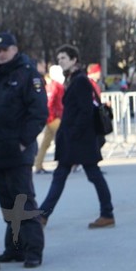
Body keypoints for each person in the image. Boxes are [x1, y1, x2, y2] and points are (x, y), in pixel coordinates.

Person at [40, 45, 115, 229]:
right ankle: (43, 215)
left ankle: (107, 213)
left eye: (63, 58)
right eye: (59, 59)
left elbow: (85, 111)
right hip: (75, 139)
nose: (60, 61)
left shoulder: (80, 80)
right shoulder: (73, 79)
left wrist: (72, 134)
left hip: (79, 140)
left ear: (74, 60)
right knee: (67, 176)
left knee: (92, 175)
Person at [0, 32, 47, 268]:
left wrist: (24, 141)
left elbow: (38, 112)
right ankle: (14, 248)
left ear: (15, 49)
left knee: (23, 200)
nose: (1, 53)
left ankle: (33, 250)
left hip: (19, 148)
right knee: (6, 201)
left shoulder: (28, 74)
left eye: (5, 49)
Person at [34, 65, 65, 174]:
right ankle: (63, 164)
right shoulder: (58, 86)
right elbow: (57, 102)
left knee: (46, 142)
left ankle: (38, 164)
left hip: (50, 117)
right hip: (56, 117)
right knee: (62, 140)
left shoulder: (49, 86)